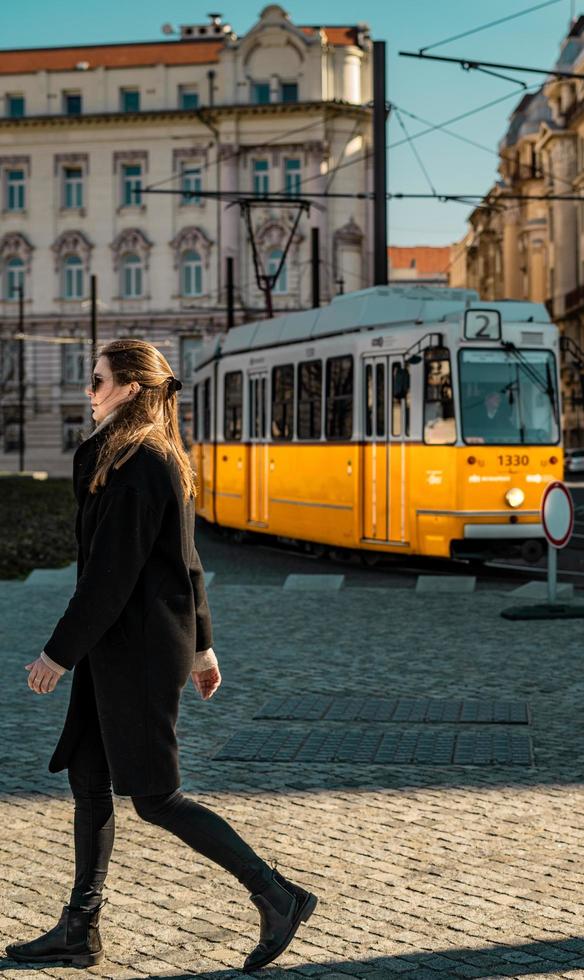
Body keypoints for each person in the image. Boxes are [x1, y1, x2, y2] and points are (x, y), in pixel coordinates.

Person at [5, 339, 317, 973]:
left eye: (96, 382)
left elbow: (110, 575)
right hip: (120, 647)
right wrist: (203, 646)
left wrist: (57, 654)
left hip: (138, 653)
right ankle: (80, 929)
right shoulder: (127, 456)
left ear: (129, 389)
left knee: (156, 798)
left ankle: (277, 895)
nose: (87, 392)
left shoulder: (143, 461)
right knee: (89, 781)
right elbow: (186, 562)